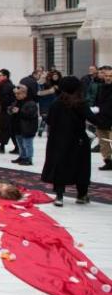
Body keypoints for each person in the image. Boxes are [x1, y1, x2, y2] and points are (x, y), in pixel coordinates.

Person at [41, 76, 101, 206]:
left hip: (57, 140)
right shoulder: (81, 103)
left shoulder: (56, 103)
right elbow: (93, 119)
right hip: (77, 140)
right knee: (81, 167)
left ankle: (59, 196)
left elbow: (49, 120)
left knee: (60, 166)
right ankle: (82, 195)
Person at [8, 84, 38, 166]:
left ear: (25, 93)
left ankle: (29, 159)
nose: (16, 95)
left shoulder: (31, 103)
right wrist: (11, 110)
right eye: (16, 94)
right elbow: (10, 109)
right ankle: (22, 156)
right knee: (20, 144)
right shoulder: (17, 102)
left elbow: (30, 114)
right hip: (18, 128)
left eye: (18, 93)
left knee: (27, 144)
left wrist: (19, 111)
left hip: (27, 128)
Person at [0, 69, 18, 154]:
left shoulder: (6, 85)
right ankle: (16, 147)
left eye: (0, 75)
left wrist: (7, 108)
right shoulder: (5, 84)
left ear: (5, 76)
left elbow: (6, 99)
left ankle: (3, 147)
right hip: (6, 110)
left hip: (6, 111)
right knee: (9, 129)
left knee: (6, 129)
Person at [94, 65, 112, 171]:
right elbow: (97, 102)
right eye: (106, 75)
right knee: (103, 143)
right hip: (101, 119)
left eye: (110, 75)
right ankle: (108, 161)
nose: (108, 77)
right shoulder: (100, 87)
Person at [36, 69, 60, 136]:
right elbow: (38, 93)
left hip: (51, 101)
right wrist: (49, 91)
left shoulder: (49, 83)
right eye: (42, 76)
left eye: (45, 76)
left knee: (49, 117)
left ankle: (46, 131)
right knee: (45, 117)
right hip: (44, 102)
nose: (44, 77)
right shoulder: (38, 84)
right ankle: (42, 130)